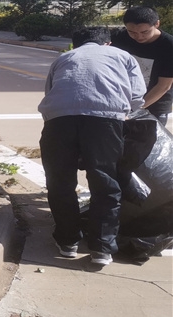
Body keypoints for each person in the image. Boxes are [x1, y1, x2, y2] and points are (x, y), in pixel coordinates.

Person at [38, 27, 146, 267]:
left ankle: (67, 243)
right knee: (105, 181)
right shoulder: (123, 56)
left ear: (75, 45)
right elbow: (138, 97)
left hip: (59, 121)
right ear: (107, 43)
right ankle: (102, 248)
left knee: (60, 181)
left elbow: (50, 91)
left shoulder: (63, 58)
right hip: (105, 121)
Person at [111, 6, 173, 127]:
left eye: (145, 32)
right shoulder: (119, 38)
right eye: (132, 32)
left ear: (157, 24)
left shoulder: (169, 46)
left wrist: (135, 109)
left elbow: (164, 86)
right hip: (121, 103)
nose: (139, 37)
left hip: (155, 105)